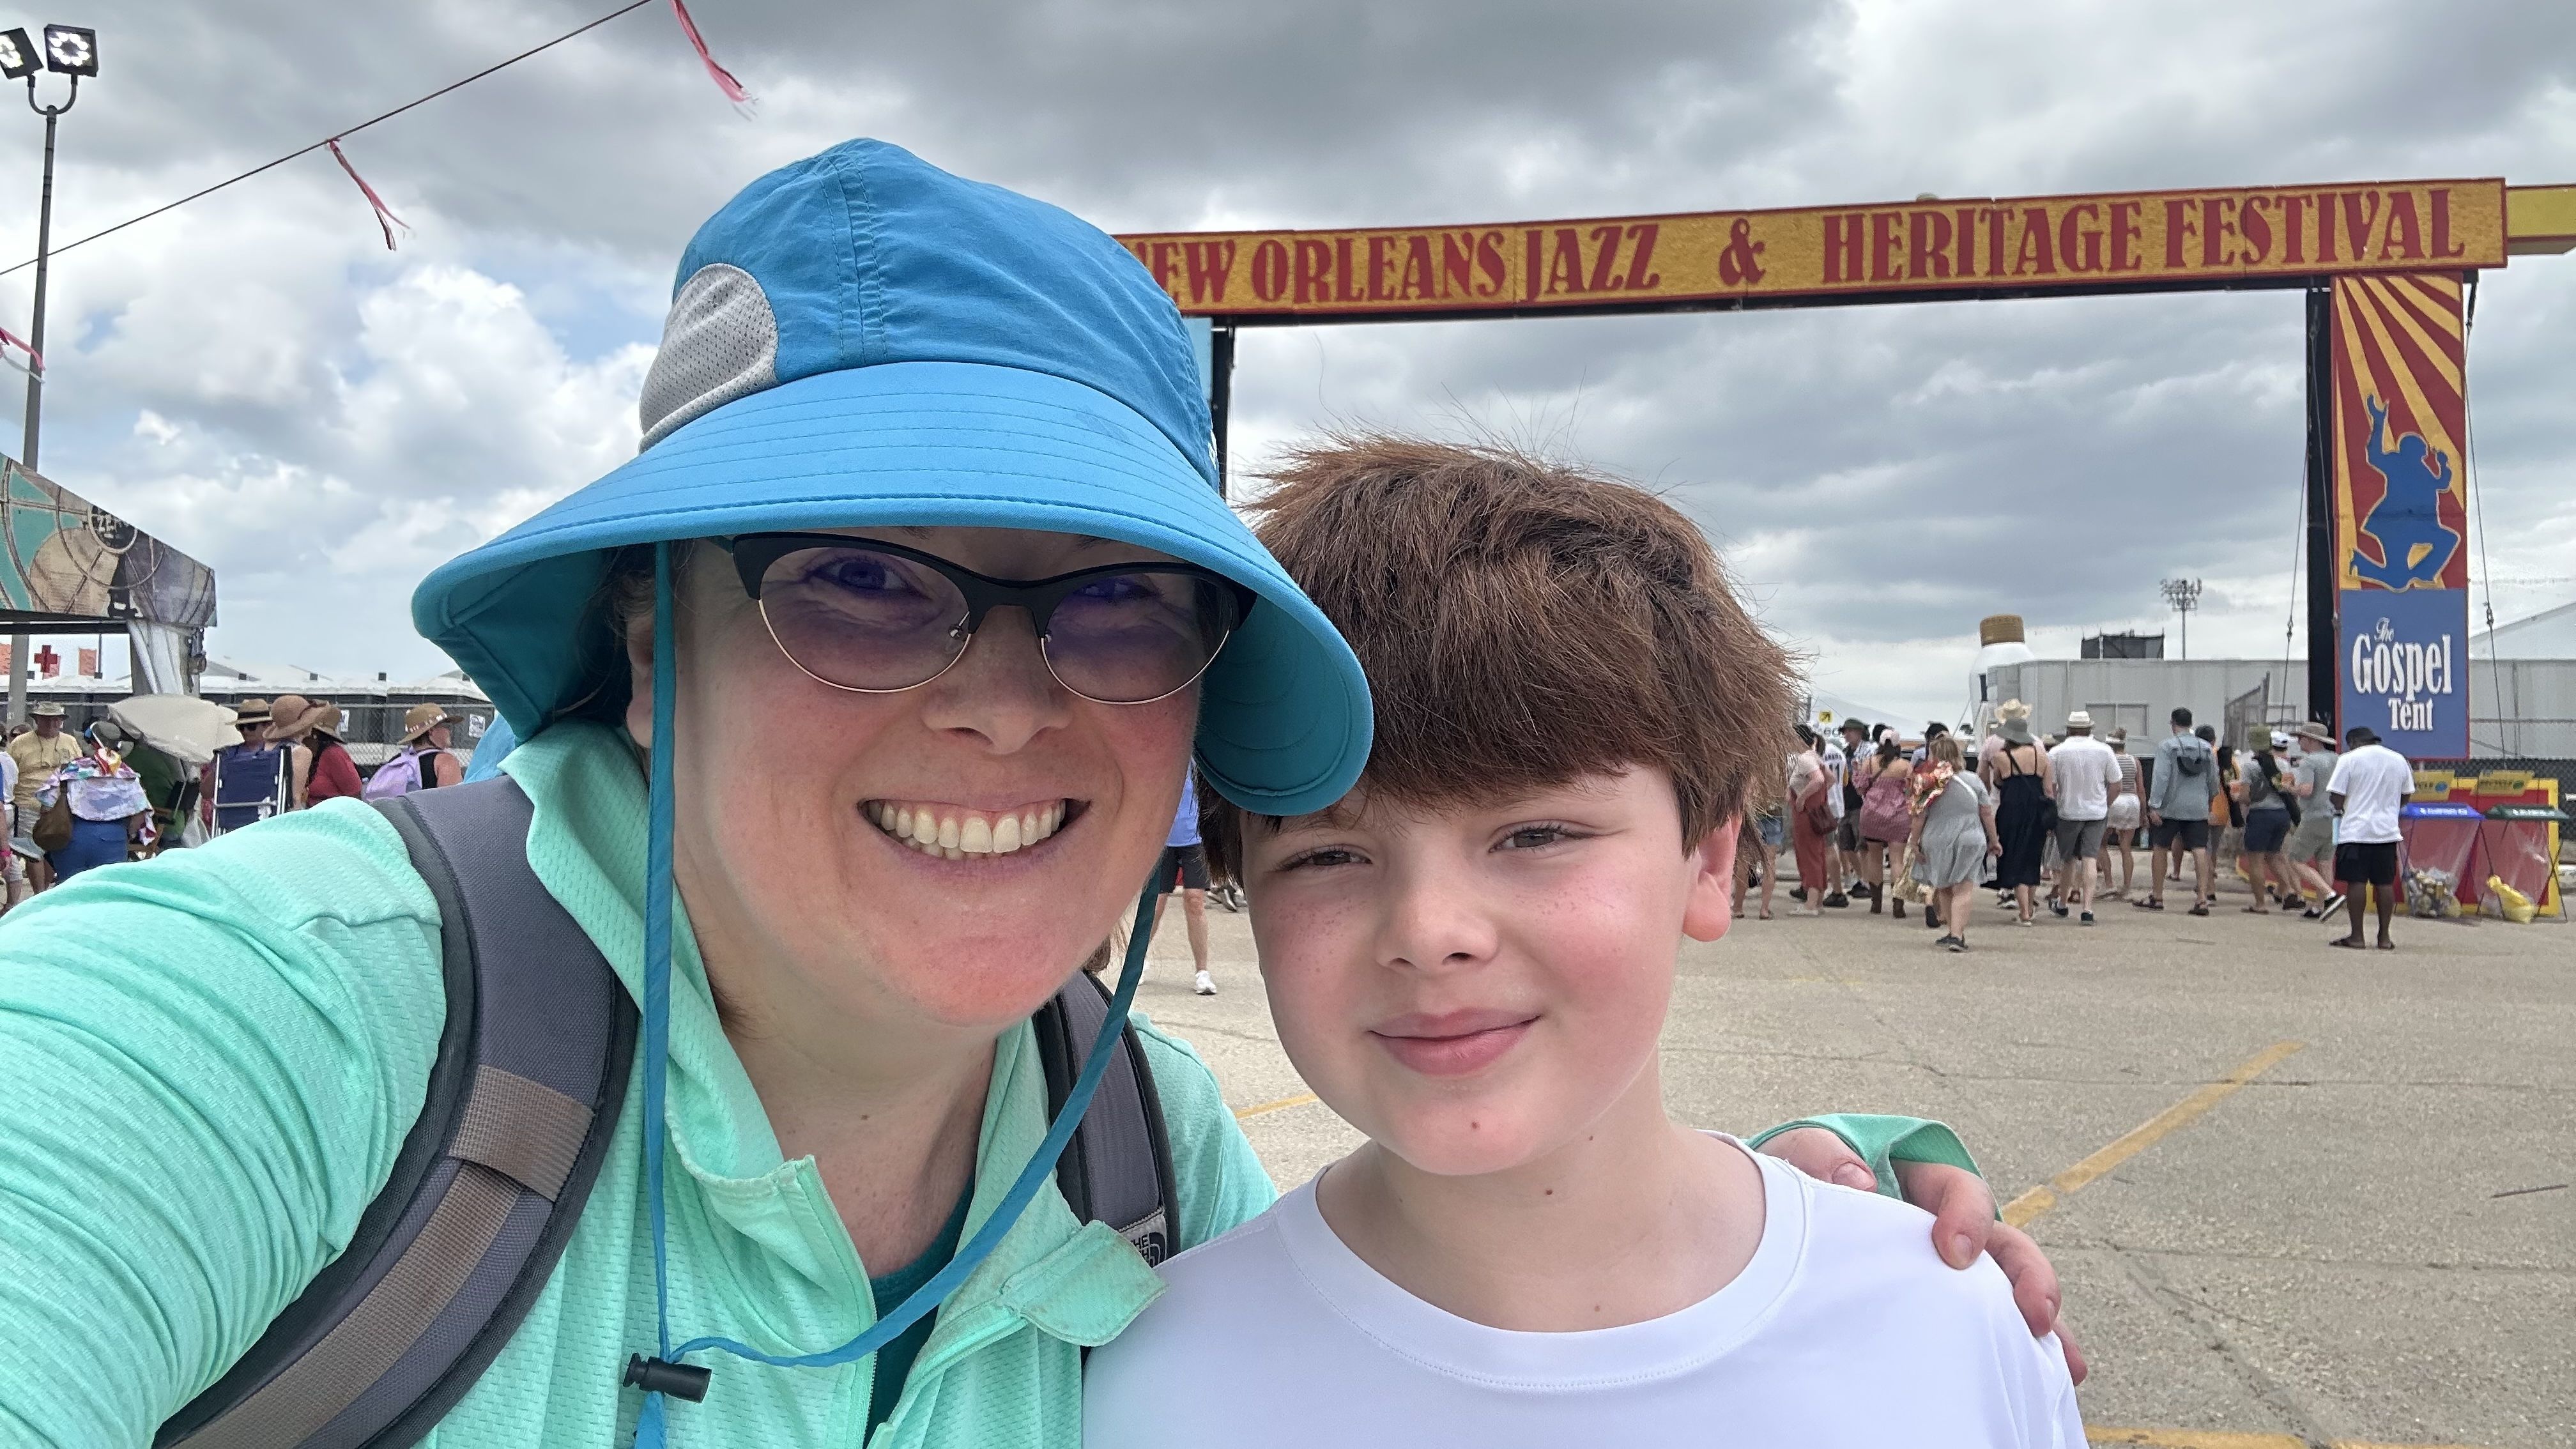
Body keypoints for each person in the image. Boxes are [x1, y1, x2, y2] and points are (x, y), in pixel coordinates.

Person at [0, 141, 2064, 1448]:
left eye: (1108, 607)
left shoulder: (1130, 1165)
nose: (1002, 703)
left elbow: (1464, 1261)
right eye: (864, 585)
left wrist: (1812, 1193)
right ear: (649, 638)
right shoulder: (261, 1033)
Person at [1089, 437, 2083, 1449]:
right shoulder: (1136, 1382)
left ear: (1707, 863)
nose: (1431, 934)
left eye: (1537, 835)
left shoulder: (1956, 1329)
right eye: (1327, 857)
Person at [1911, 733, 2000, 952]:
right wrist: (1994, 839)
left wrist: (1914, 841)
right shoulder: (1973, 780)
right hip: (1971, 836)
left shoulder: (1928, 782)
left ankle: (1953, 932)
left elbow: (1919, 815)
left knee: (1944, 886)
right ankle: (1957, 934)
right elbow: (1986, 812)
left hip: (1937, 838)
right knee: (1964, 888)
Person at [2327, 724, 2412, 951]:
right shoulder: (2398, 759)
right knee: (2384, 883)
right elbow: (2406, 795)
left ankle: (2357, 937)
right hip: (2386, 832)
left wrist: (2347, 805)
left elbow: (2336, 797)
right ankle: (2384, 938)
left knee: (2357, 882)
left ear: (2353, 742)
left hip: (2356, 831)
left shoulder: (2349, 759)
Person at [37, 720, 155, 882]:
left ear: (88, 745)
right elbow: (139, 815)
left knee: (70, 892)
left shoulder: (68, 772)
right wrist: (126, 834)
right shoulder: (128, 776)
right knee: (105, 895)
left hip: (71, 838)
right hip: (113, 839)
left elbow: (47, 806)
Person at [2142, 706, 2219, 915]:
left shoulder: (2168, 746)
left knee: (2160, 848)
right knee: (2199, 849)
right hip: (2198, 807)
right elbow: (2214, 779)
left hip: (2170, 807)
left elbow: (2161, 777)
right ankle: (2202, 898)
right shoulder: (2206, 748)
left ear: (2173, 723)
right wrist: (2209, 799)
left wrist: (2154, 805)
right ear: (2191, 723)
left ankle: (2157, 896)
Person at [1981, 702, 2051, 928]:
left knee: (2015, 857)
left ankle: (2025, 913)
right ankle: (2029, 906)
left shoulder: (2003, 756)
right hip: (2037, 809)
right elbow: (2049, 789)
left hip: (2012, 809)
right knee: (2033, 856)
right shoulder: (2042, 755)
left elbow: (1998, 782)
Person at [2046, 710, 2117, 925]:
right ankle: (2087, 909)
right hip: (2096, 812)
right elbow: (2116, 784)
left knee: (2068, 860)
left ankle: (2063, 904)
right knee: (2090, 858)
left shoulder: (2057, 753)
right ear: (2090, 729)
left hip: (2068, 812)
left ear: (2069, 729)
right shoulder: (2105, 751)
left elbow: (2052, 787)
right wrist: (2104, 804)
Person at [1153, 768, 1219, 995]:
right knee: (1156, 902)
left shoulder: (1203, 755)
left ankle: (1202, 972)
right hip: (1162, 838)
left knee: (1194, 900)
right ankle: (1137, 963)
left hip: (1196, 837)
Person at [8, 700, 79, 892]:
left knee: (55, 847)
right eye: (46, 720)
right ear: (37, 720)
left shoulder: (70, 742)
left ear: (62, 721)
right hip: (27, 804)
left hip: (61, 806)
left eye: (56, 720)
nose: (51, 724)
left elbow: (78, 772)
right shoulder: (20, 743)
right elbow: (10, 773)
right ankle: (39, 893)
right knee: (32, 851)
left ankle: (47, 890)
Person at [2280, 722, 2343, 917]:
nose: (2299, 742)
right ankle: (2319, 906)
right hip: (2335, 815)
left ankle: (2330, 895)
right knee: (2325, 861)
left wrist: (2290, 788)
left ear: (2310, 740)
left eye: (2301, 738)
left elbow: (2306, 790)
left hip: (2314, 816)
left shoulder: (2309, 762)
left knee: (2295, 859)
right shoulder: (2337, 759)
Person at [206, 698, 291, 834]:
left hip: (266, 819)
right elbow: (206, 792)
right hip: (233, 820)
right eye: (241, 726)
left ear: (267, 725)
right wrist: (218, 768)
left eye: (251, 726)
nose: (245, 731)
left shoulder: (280, 753)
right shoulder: (227, 754)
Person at [2235, 732, 2297, 914]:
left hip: (2261, 815)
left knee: (2256, 861)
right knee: (2274, 855)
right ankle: (2290, 890)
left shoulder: (2251, 767)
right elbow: (2289, 791)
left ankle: (2260, 903)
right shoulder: (2284, 765)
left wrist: (2237, 797)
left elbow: (2246, 797)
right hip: (2282, 815)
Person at [1854, 732, 1914, 919]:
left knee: (1874, 858)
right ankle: (1898, 904)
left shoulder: (1870, 762)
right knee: (1897, 860)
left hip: (1872, 814)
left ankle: (1876, 903)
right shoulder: (1905, 766)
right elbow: (1912, 790)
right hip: (1898, 814)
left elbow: (1860, 789)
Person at [362, 703, 470, 798]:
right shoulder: (446, 761)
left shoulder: (397, 760)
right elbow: (452, 805)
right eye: (447, 725)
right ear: (431, 730)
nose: (450, 731)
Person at [1784, 725, 1834, 916]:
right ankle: (1818, 898)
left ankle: (1811, 903)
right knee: (1818, 853)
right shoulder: (1815, 757)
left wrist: (1803, 798)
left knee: (1808, 855)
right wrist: (1820, 799)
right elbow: (1830, 779)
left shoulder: (1805, 759)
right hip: (1816, 812)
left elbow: (1820, 780)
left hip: (1806, 813)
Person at [2102, 726, 2142, 899]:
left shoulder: (2108, 760)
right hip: (2132, 801)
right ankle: (2127, 886)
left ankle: (2109, 882)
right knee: (2126, 847)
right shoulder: (2135, 761)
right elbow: (2140, 788)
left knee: (2100, 844)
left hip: (2113, 800)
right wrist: (2144, 812)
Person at [1835, 717, 1871, 889]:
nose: (1846, 735)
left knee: (1862, 844)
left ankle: (1865, 880)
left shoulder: (1869, 751)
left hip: (1861, 803)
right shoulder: (1845, 752)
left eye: (1850, 731)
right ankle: (1859, 877)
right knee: (1846, 844)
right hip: (1846, 802)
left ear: (1859, 733)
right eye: (1845, 732)